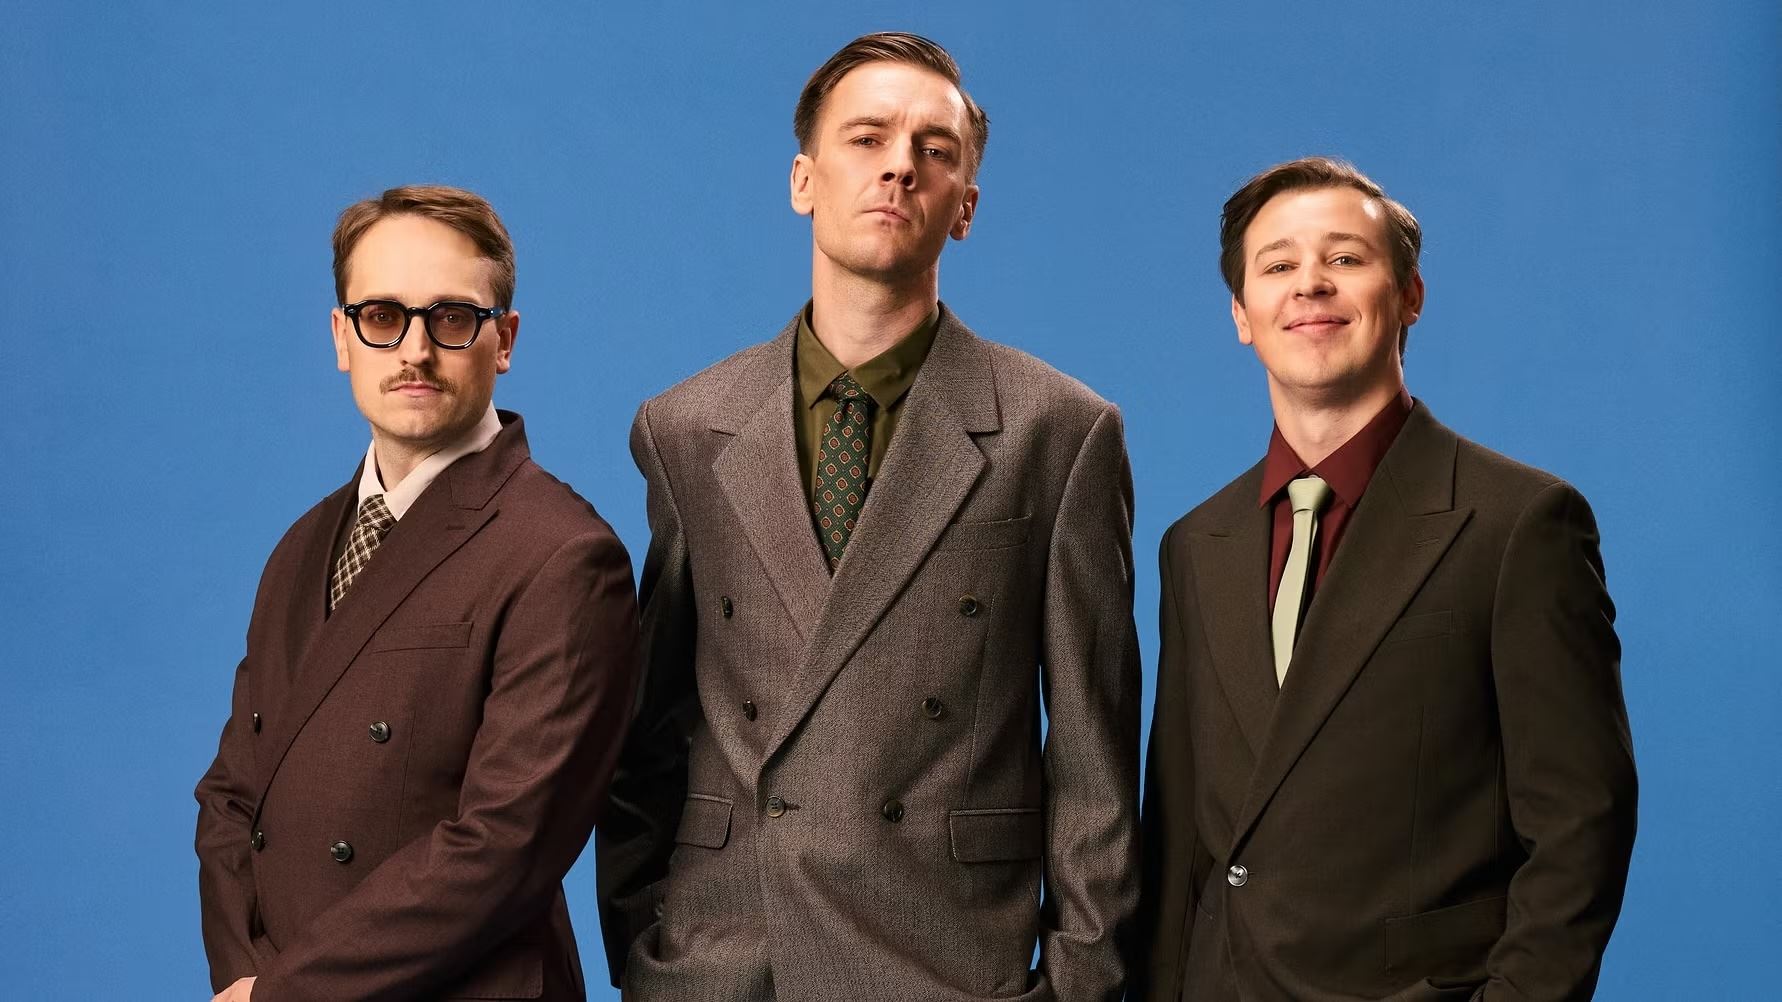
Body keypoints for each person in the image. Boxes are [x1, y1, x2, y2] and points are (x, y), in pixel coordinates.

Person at [597, 31, 1141, 1001]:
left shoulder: (1058, 431)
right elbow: (647, 738)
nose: (899, 165)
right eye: (867, 138)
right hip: (728, 962)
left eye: (935, 149)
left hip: (949, 962)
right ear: (803, 180)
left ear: (965, 207)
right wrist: (650, 952)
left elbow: (1094, 767)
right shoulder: (686, 428)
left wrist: (1077, 986)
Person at [1134, 157, 1638, 1001]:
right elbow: (1180, 834)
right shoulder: (1196, 544)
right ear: (1242, 316)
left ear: (1410, 296)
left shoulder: (1520, 524)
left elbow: (1582, 827)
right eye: (1278, 265)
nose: (1310, 284)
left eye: (1344, 258)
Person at [194, 185, 639, 1001]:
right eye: (382, 316)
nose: (414, 350)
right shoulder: (299, 546)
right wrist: (241, 977)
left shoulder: (565, 556)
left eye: (452, 318)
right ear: (343, 337)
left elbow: (503, 849)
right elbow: (232, 796)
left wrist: (284, 994)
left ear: (504, 341)